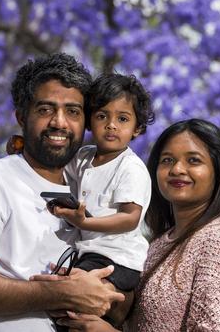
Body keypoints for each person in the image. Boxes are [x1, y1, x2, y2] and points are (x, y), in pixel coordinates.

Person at [0, 53, 125, 332]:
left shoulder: (96, 190)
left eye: (73, 111)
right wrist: (63, 293)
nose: (59, 122)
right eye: (45, 109)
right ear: (21, 116)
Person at [50, 118, 220, 331]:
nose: (177, 169)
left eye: (193, 160)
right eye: (167, 160)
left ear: (218, 171)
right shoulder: (161, 242)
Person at [48, 73, 154, 296]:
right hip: (88, 253)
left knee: (69, 292)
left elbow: (129, 219)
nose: (111, 125)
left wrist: (84, 222)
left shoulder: (130, 168)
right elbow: (54, 169)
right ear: (89, 121)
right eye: (102, 116)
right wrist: (23, 147)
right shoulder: (83, 157)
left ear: (137, 128)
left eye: (123, 119)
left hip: (118, 259)